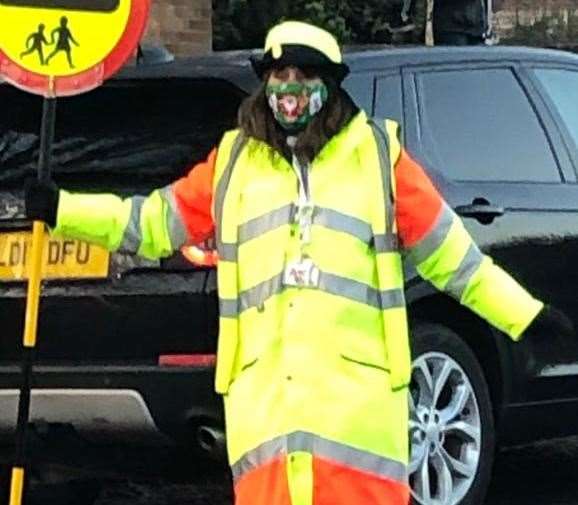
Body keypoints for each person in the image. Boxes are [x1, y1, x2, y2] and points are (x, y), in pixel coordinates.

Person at [25, 20, 573, 505]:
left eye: (304, 77)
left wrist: (524, 317)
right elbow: (147, 225)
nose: (290, 91)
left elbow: (455, 260)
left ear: (331, 87)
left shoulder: (380, 161)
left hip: (358, 441)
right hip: (267, 431)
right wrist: (64, 210)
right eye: (279, 77)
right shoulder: (233, 165)